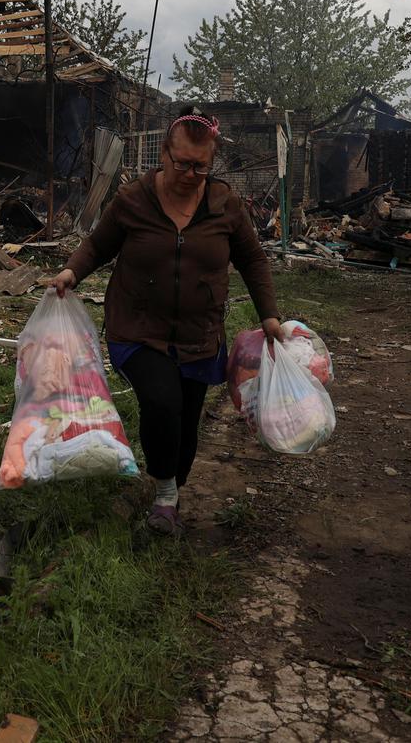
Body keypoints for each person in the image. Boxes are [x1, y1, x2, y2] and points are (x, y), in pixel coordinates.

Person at [50, 107, 283, 536]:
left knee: (187, 423)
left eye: (201, 166)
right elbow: (99, 244)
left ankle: (170, 484)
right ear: (164, 156)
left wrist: (269, 316)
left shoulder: (225, 205)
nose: (191, 174)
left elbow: (252, 259)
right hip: (138, 328)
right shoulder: (135, 199)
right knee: (163, 402)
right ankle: (165, 497)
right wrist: (71, 272)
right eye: (183, 164)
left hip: (199, 335)